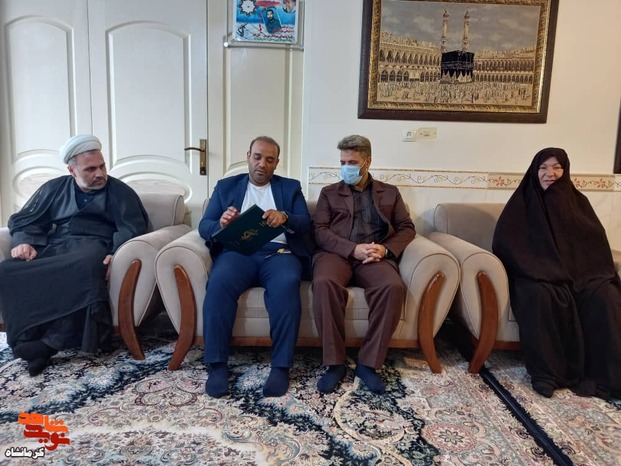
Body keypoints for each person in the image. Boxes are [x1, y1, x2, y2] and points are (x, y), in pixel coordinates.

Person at [0, 134, 149, 376]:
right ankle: (26, 338)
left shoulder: (120, 192)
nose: (100, 174)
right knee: (8, 270)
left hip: (93, 248)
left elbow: (133, 228)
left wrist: (117, 252)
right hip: (57, 246)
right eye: (90, 169)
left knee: (87, 266)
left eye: (102, 166)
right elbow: (25, 220)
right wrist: (23, 241)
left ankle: (47, 346)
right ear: (71, 170)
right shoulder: (53, 188)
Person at [493, 147, 621, 399]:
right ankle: (548, 374)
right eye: (543, 168)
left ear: (566, 171)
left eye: (556, 168)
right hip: (536, 275)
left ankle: (606, 374)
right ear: (534, 171)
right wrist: (546, 271)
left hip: (582, 276)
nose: (549, 173)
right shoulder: (522, 204)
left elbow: (595, 247)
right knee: (539, 295)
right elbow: (506, 245)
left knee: (606, 296)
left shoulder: (579, 204)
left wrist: (587, 275)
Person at [199, 136, 311, 398]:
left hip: (278, 254)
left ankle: (280, 367)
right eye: (258, 157)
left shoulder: (290, 188)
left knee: (287, 284)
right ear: (248, 156)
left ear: (277, 163)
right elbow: (204, 226)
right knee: (218, 283)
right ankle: (217, 365)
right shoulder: (226, 186)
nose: (262, 164)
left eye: (269, 160)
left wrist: (285, 217)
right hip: (238, 253)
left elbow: (306, 223)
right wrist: (221, 224)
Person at [311, 135, 416, 394]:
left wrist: (385, 249)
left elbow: (406, 228)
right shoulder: (329, 193)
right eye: (343, 162)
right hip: (337, 254)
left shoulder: (389, 192)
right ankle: (335, 363)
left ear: (367, 162)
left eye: (352, 162)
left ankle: (368, 364)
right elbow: (320, 231)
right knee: (324, 282)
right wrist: (352, 249)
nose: (346, 167)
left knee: (392, 287)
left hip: (373, 255)